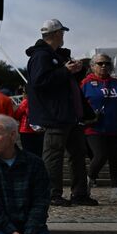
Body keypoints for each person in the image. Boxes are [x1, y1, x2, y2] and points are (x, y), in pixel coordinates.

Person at [25, 19, 98, 207]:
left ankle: (79, 193)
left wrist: (76, 71)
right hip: (55, 116)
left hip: (69, 115)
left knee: (78, 154)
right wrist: (65, 71)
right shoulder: (41, 56)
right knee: (54, 155)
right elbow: (40, 81)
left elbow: (61, 81)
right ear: (57, 34)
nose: (63, 37)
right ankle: (51, 194)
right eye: (62, 33)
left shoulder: (55, 55)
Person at [81, 53, 117, 202]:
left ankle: (116, 189)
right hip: (94, 128)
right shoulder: (85, 84)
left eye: (107, 63)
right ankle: (87, 184)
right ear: (92, 66)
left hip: (116, 128)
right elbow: (77, 104)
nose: (104, 66)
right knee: (100, 155)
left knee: (115, 159)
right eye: (100, 63)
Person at [13, 91, 44, 158]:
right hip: (40, 130)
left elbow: (17, 115)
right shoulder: (42, 100)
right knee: (39, 152)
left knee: (27, 153)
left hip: (26, 130)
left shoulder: (26, 102)